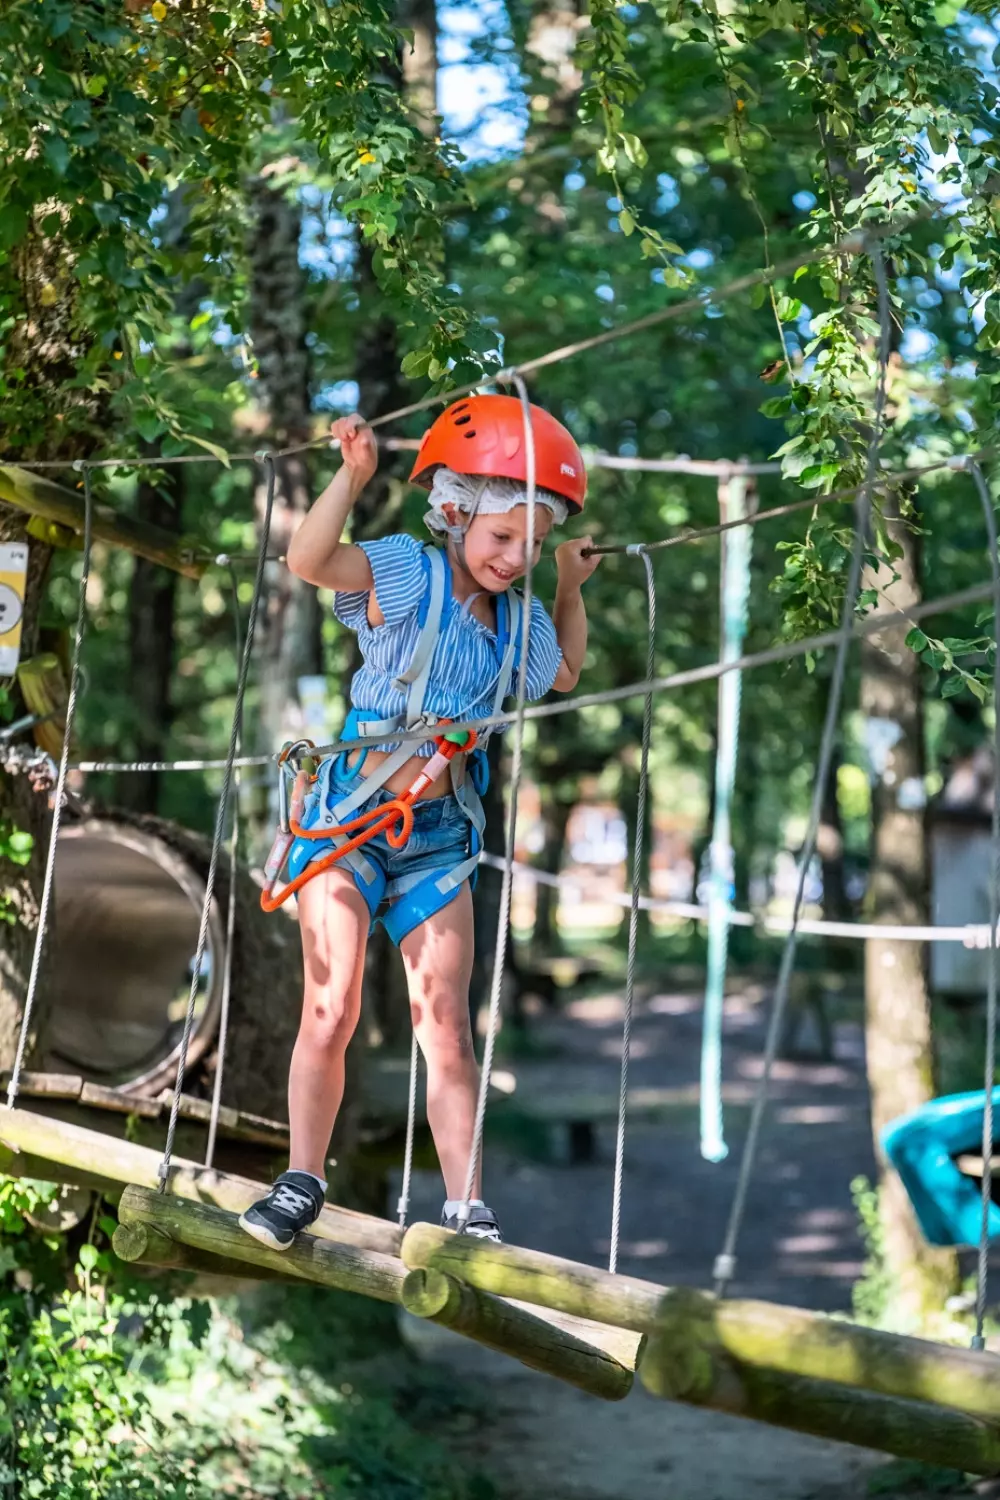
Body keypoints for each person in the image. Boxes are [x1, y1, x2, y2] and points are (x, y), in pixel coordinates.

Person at [239, 394, 600, 1251]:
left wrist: (567, 586)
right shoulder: (409, 569)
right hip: (346, 820)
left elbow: (569, 674)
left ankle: (467, 1208)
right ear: (455, 514)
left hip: (437, 837)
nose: (514, 556)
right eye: (502, 536)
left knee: (445, 1021)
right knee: (331, 1006)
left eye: (532, 542)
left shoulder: (521, 624)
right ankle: (300, 1180)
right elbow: (308, 557)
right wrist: (352, 477)